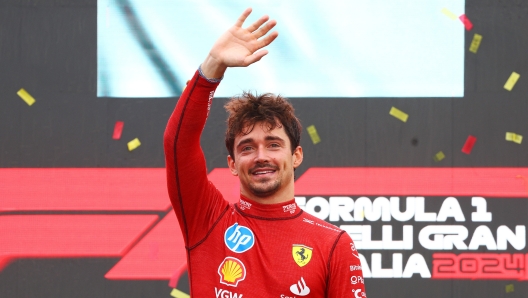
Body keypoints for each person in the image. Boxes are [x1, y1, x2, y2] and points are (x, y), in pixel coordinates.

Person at [164, 8, 366, 297]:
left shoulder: (333, 243)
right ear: (232, 164)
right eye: (247, 147)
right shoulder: (207, 221)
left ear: (296, 156)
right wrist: (213, 65)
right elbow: (178, 143)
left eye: (273, 144)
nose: (261, 156)